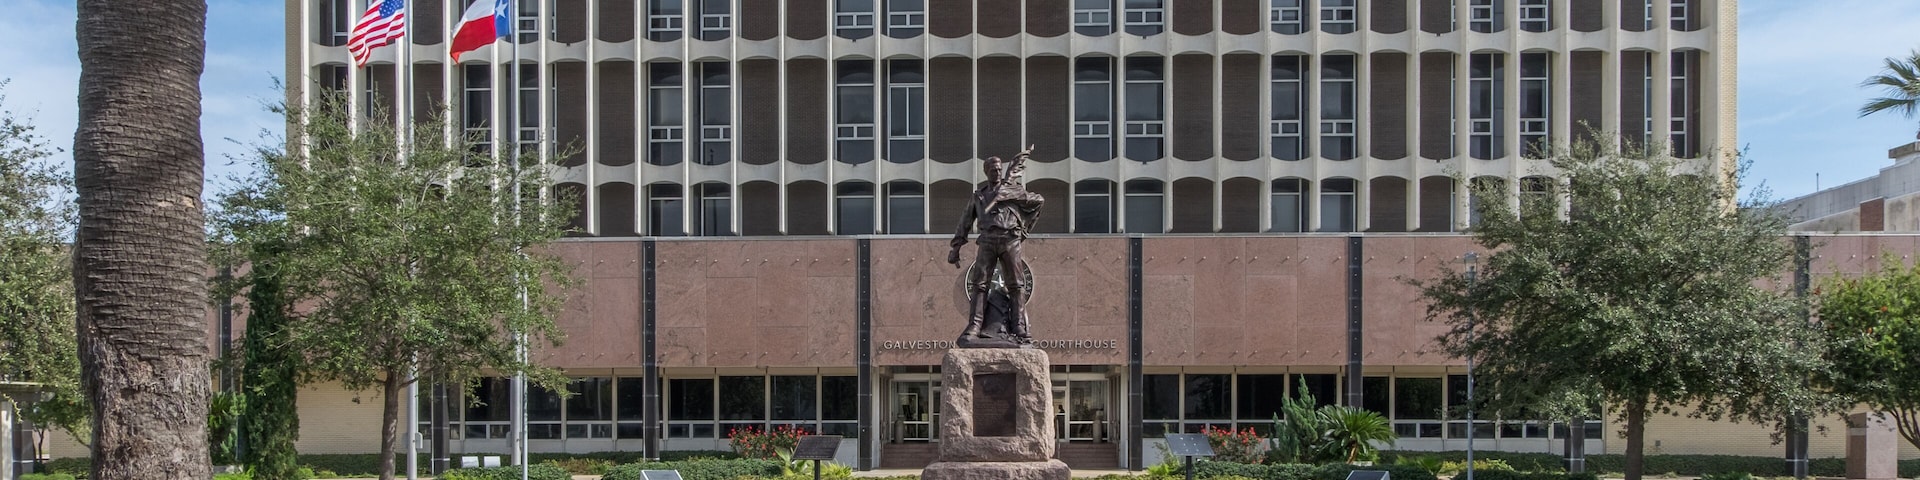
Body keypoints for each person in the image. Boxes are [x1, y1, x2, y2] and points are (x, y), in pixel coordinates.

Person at [947, 146, 1044, 345]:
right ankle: (975, 326)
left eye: (1000, 169)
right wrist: (956, 247)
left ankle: (1018, 326)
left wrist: (1011, 196)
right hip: (988, 240)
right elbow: (965, 221)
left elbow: (1039, 200)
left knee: (1017, 285)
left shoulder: (1013, 190)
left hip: (1010, 239)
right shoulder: (979, 196)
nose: (997, 172)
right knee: (979, 284)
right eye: (993, 170)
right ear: (986, 171)